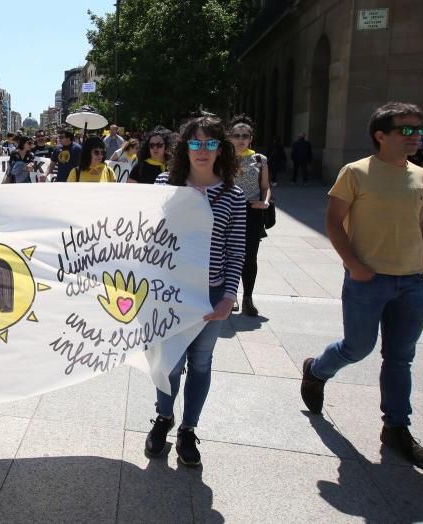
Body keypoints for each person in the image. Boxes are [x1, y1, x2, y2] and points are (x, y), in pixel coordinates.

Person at [300, 102, 423, 472]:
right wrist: (354, 265)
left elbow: (420, 226)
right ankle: (317, 370)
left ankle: (396, 426)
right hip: (368, 279)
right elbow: (334, 221)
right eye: (406, 130)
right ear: (381, 135)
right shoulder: (355, 172)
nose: (415, 137)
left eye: (419, 129)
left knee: (400, 358)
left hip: (411, 281)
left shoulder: (421, 176)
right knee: (357, 347)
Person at [146, 114, 245, 467]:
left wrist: (229, 297)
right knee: (168, 362)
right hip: (170, 293)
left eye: (211, 143)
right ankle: (163, 417)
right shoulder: (163, 187)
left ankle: (188, 428)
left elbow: (236, 251)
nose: (202, 151)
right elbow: (146, 237)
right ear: (185, 147)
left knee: (200, 363)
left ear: (221, 149)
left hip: (212, 295)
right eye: (195, 143)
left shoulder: (233, 195)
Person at [227, 115, 272, 316]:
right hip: (228, 211)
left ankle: (248, 298)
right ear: (230, 137)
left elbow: (265, 186)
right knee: (228, 255)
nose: (241, 139)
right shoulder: (223, 158)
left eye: (245, 135)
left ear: (251, 138)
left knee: (250, 257)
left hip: (252, 212)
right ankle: (230, 296)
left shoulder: (260, 160)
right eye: (236, 135)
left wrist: (265, 202)